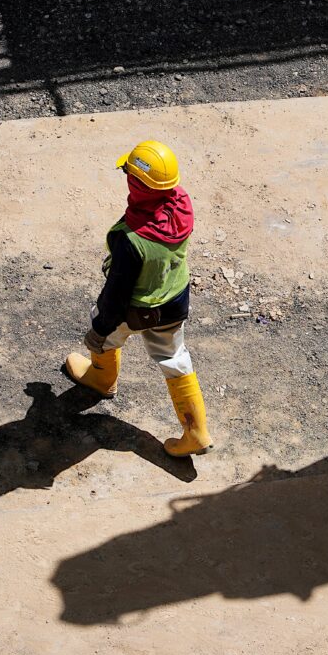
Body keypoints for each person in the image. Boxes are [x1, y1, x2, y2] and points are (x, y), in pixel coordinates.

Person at [63, 140, 213, 457]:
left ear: (137, 183)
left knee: (105, 336)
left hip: (138, 309)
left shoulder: (131, 240)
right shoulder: (180, 204)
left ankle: (102, 379)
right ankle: (196, 433)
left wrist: (100, 328)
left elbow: (116, 295)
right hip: (174, 298)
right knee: (174, 359)